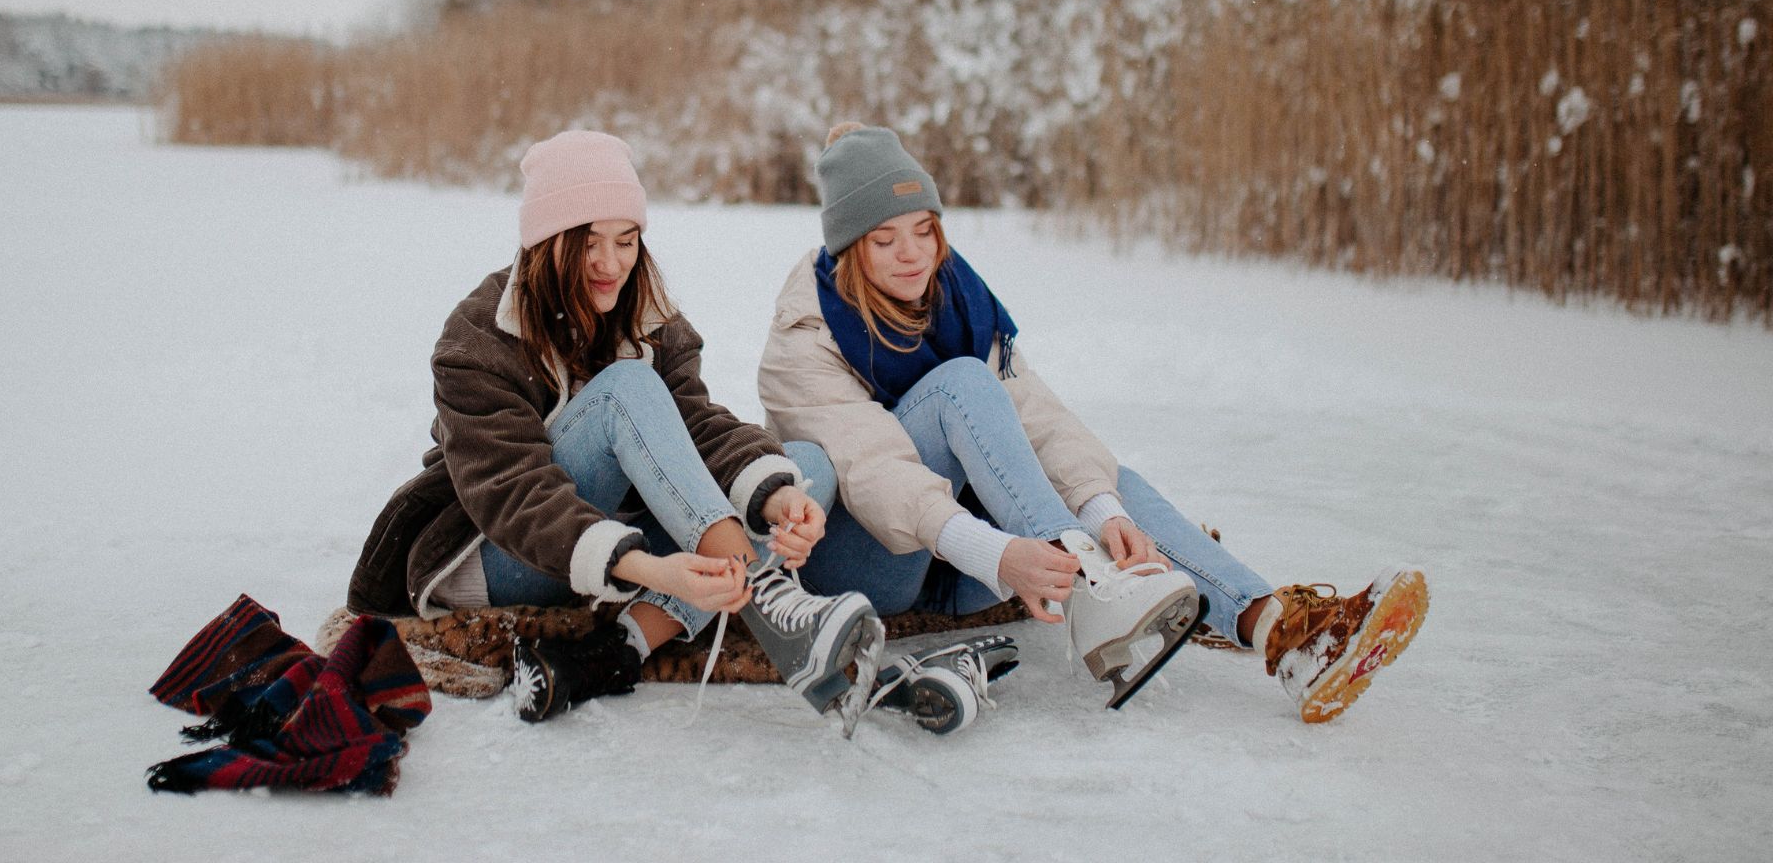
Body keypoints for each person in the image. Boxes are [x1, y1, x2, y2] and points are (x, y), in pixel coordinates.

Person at [758, 123, 1429, 723]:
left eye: (924, 230)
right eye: (885, 238)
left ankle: (1278, 632)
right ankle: (1090, 589)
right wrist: (1005, 552)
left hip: (968, 569)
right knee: (962, 383)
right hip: (875, 561)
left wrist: (1103, 510)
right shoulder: (806, 332)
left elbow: (1037, 419)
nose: (913, 254)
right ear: (849, 247)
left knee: (1108, 485)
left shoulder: (956, 297)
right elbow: (878, 474)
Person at [347, 130, 881, 724]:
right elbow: (515, 497)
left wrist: (777, 498)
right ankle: (772, 598)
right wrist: (652, 569)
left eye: (626, 241)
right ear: (544, 242)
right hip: (500, 552)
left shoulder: (648, 313)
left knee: (803, 470)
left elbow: (697, 426)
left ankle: (611, 651)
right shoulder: (476, 337)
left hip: (609, 539)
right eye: (586, 244)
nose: (610, 264)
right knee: (627, 389)